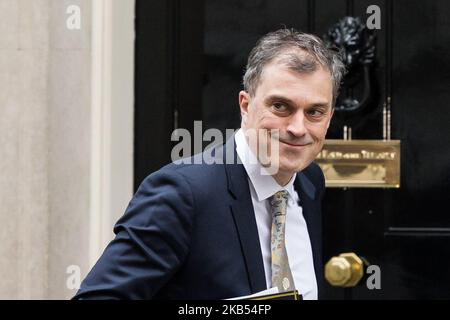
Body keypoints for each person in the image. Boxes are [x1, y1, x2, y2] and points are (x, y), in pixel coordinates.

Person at [73, 28, 345, 300]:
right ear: (245, 106)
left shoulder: (310, 181)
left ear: (329, 117)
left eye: (314, 112)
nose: (298, 128)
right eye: (280, 107)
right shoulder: (182, 194)